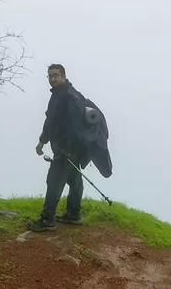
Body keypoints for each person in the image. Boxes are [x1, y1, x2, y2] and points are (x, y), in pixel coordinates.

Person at [27, 63, 112, 232]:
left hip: (67, 148)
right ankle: (73, 214)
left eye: (56, 75)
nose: (52, 79)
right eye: (50, 76)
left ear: (63, 76)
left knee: (54, 181)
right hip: (70, 148)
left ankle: (47, 220)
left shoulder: (68, 97)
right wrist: (42, 141)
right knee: (74, 179)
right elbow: (51, 121)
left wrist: (67, 149)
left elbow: (75, 127)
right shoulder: (62, 94)